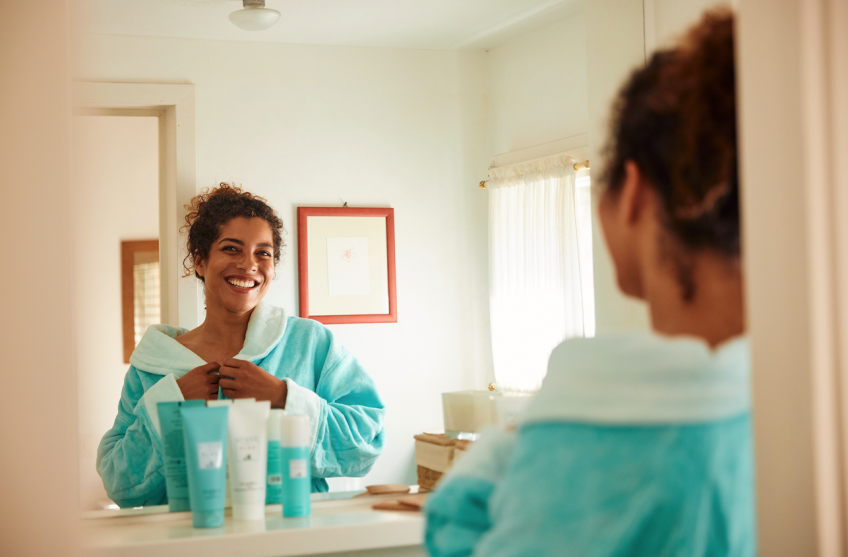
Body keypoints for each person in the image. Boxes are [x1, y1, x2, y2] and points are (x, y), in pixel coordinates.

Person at [425, 9, 754, 557]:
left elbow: (458, 535)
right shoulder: (807, 407)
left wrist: (494, 456)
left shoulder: (578, 429)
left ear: (633, 194)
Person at [97, 184, 386, 508]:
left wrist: (283, 398)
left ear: (273, 267)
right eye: (232, 249)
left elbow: (367, 442)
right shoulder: (153, 364)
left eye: (263, 253)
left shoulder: (310, 344)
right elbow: (119, 484)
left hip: (291, 539)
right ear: (200, 261)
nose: (249, 264)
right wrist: (172, 404)